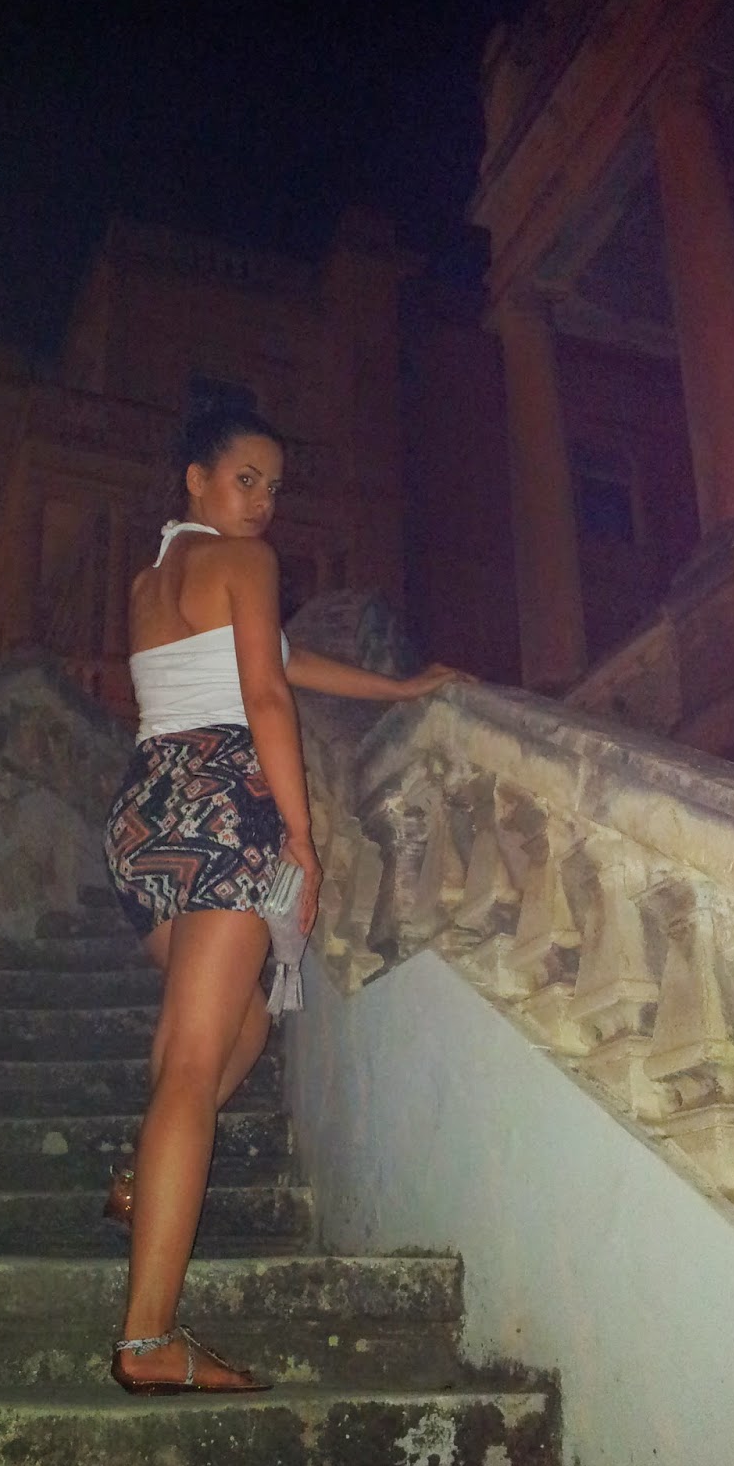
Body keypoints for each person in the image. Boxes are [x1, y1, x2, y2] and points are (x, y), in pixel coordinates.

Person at [102, 407, 467, 1395]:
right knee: (193, 1061)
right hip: (222, 802)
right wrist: (300, 838)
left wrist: (399, 690)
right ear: (196, 477)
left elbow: (279, 662)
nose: (263, 501)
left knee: (244, 1025)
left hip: (144, 817)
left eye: (273, 486)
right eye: (245, 479)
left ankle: (141, 1178)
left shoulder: (149, 581)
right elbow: (266, 696)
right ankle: (146, 1340)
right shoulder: (245, 562)